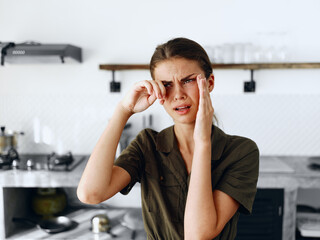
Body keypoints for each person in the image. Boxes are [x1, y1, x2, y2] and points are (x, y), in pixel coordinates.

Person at [77, 37, 259, 240]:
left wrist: (202, 143)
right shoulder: (147, 144)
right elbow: (90, 194)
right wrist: (123, 110)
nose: (178, 95)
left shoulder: (241, 151)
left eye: (188, 80)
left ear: (209, 83)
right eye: (167, 85)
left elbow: (198, 235)